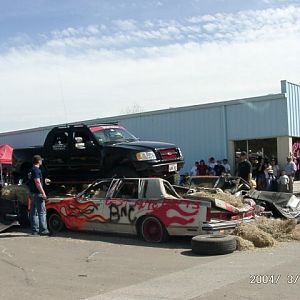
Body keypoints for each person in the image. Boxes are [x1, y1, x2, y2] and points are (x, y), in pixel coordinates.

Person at [28, 155, 50, 236]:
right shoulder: (37, 170)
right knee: (42, 212)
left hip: (31, 193)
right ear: (39, 161)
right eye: (41, 160)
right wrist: (43, 193)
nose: (41, 162)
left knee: (33, 213)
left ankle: (35, 230)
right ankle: (44, 230)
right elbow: (37, 182)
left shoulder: (30, 170)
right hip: (38, 193)